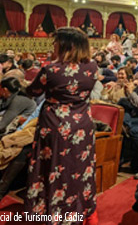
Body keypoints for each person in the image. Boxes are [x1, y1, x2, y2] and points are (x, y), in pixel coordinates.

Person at [24, 27, 99, 224]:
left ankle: (51, 211)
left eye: (55, 43)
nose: (53, 47)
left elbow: (32, 91)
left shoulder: (51, 70)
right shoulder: (92, 67)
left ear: (66, 46)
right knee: (78, 167)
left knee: (54, 168)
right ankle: (78, 208)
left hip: (55, 125)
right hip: (82, 124)